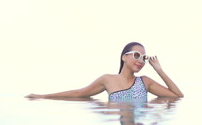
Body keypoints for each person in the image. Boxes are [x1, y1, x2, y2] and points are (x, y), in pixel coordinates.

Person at [25, 42, 184, 100]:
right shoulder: (108, 80)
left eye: (143, 57)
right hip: (114, 122)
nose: (140, 60)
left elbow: (178, 96)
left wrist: (159, 70)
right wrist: (43, 96)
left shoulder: (145, 82)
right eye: (136, 55)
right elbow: (79, 94)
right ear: (124, 57)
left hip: (142, 119)